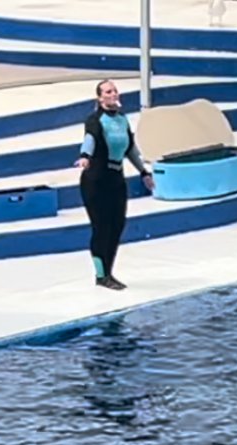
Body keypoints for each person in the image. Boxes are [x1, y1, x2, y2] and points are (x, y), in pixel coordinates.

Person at [75, 79, 153, 290]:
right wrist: (84, 156)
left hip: (116, 179)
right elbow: (89, 139)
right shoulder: (95, 120)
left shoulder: (122, 120)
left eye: (115, 90)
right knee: (101, 227)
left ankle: (109, 271)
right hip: (95, 180)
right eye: (108, 92)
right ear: (100, 98)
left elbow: (130, 149)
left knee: (117, 226)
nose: (113, 94)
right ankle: (101, 276)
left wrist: (144, 172)